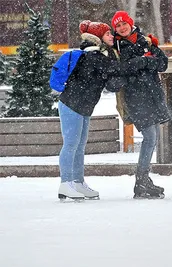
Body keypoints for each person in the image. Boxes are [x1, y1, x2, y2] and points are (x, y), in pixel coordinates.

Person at [57, 20, 127, 201]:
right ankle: (65, 183)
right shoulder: (93, 57)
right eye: (108, 34)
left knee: (79, 146)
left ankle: (78, 183)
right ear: (98, 38)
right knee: (71, 144)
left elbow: (112, 82)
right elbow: (114, 79)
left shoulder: (99, 56)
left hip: (83, 107)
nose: (112, 36)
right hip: (71, 105)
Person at [112, 11, 171, 199]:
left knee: (153, 137)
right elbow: (123, 69)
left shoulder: (145, 40)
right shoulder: (117, 47)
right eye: (118, 26)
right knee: (150, 137)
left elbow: (162, 63)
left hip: (153, 95)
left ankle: (144, 180)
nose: (122, 28)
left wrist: (144, 61)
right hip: (136, 98)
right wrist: (144, 61)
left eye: (124, 24)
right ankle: (141, 181)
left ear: (130, 23)